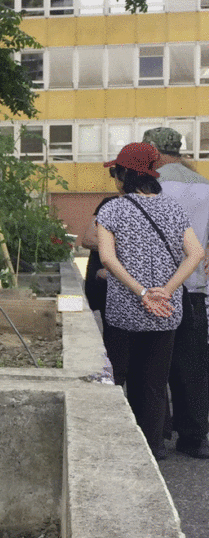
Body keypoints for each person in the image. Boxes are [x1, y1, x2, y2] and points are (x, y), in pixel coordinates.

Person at [96, 142, 205, 461]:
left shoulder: (111, 209)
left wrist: (142, 292)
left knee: (118, 377)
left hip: (124, 311)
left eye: (116, 170)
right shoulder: (173, 208)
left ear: (126, 174)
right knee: (155, 383)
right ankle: (152, 447)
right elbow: (196, 253)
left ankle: (121, 442)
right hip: (166, 311)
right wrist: (166, 290)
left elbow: (107, 258)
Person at [143, 127, 209, 459]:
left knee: (154, 364)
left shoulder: (152, 186)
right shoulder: (204, 186)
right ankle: (195, 437)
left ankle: (157, 436)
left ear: (152, 149)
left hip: (158, 288)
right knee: (194, 367)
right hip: (195, 289)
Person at [81, 195, 122, 382]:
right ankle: (112, 375)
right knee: (110, 331)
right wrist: (113, 246)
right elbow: (88, 239)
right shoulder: (109, 203)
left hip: (122, 281)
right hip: (103, 280)